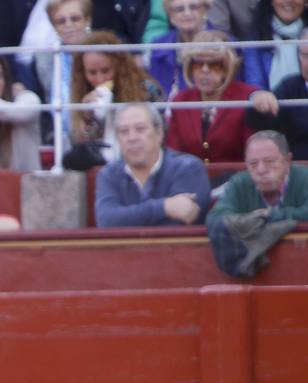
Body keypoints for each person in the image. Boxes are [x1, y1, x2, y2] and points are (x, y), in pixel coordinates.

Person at [94, 102, 211, 227]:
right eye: (124, 131)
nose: (132, 137)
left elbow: (176, 223)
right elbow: (107, 221)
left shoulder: (188, 168)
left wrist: (127, 218)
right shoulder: (109, 174)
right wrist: (165, 207)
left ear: (159, 133)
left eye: (140, 129)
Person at [247, 23, 308, 163]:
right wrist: (258, 100)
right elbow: (261, 124)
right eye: (305, 55)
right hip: (297, 174)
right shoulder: (289, 86)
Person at [67, 30, 164, 166]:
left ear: (119, 66)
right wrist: (87, 118)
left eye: (105, 71)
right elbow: (82, 148)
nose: (100, 78)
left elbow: (161, 133)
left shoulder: (147, 90)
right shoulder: (82, 95)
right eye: (92, 73)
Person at [165, 30, 255, 164]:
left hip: (234, 179)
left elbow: (251, 153)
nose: (205, 70)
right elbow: (173, 155)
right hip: (190, 180)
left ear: (227, 68)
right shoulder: (181, 101)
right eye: (198, 64)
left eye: (214, 64)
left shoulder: (246, 97)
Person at [207, 129, 308, 222]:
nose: (261, 170)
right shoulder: (240, 182)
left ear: (287, 161)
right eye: (253, 163)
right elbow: (214, 219)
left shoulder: (306, 176)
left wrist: (269, 216)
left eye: (269, 162)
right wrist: (253, 219)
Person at [242, 0, 308, 90]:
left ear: (307, 1)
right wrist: (263, 97)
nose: (288, 1)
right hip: (269, 102)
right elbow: (254, 82)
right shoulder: (256, 34)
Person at [147, 0, 213, 98]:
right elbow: (156, 95)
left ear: (205, 11)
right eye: (179, 9)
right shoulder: (159, 46)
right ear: (171, 16)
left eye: (193, 7)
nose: (187, 13)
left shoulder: (225, 44)